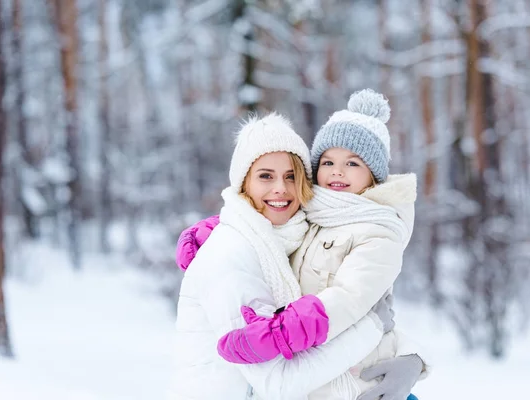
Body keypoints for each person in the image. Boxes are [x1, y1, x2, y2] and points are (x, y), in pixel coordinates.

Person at [177, 90, 429, 400]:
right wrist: (213, 230)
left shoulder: (376, 230)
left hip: (356, 387)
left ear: (373, 176)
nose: (337, 171)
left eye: (353, 163)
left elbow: (351, 301)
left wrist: (281, 332)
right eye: (328, 161)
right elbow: (266, 229)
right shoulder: (314, 217)